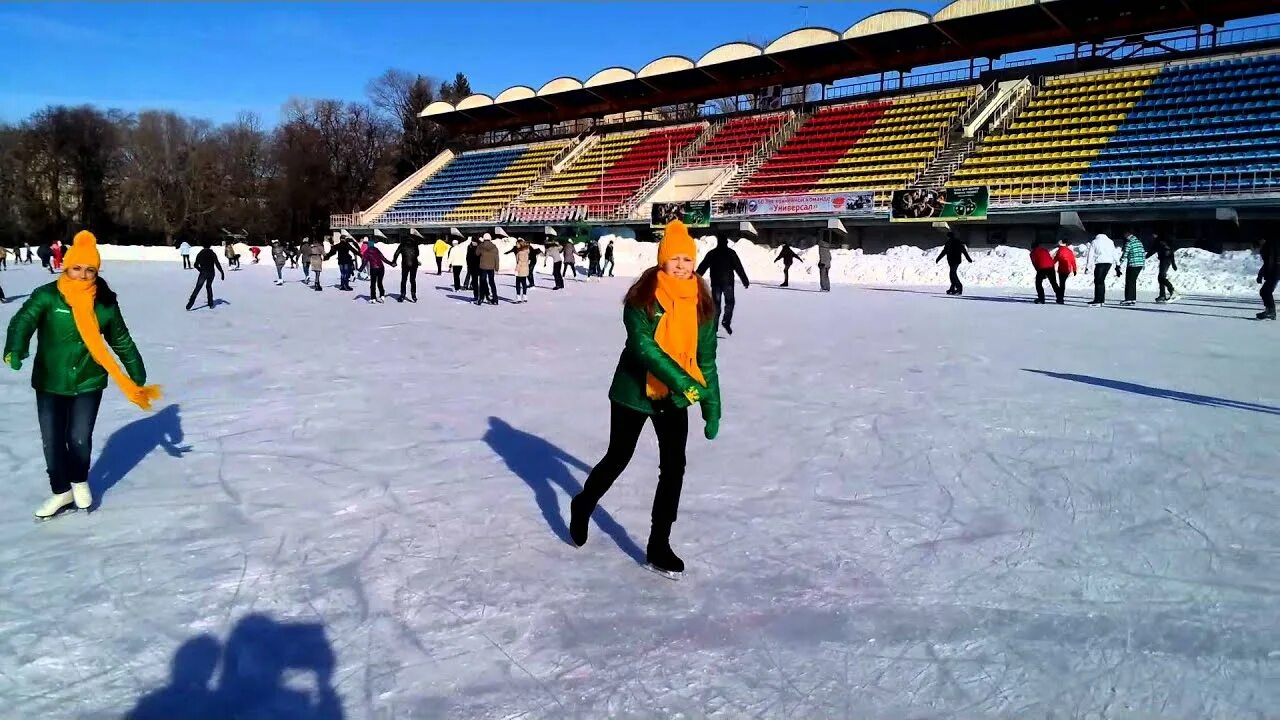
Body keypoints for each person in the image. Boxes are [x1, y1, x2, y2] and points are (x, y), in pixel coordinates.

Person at [569, 220, 721, 576]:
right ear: (661, 259)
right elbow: (643, 347)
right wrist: (684, 383)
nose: (681, 265)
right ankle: (584, 503)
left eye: (687, 258)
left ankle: (659, 544)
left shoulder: (701, 302)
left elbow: (707, 359)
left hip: (674, 397)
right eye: (675, 258)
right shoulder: (643, 297)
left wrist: (712, 406)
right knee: (619, 457)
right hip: (634, 390)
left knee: (674, 467)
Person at [4, 230, 161, 519]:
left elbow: (121, 338)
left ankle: (78, 481)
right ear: (66, 266)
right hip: (50, 380)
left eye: (90, 270)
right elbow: (23, 320)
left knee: (78, 438)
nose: (83, 275)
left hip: (89, 380)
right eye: (77, 268)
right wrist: (16, 346)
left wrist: (135, 372)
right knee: (52, 440)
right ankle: (61, 491)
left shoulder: (104, 302)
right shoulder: (48, 296)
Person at [696, 235, 750, 335]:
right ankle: (726, 321)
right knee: (730, 302)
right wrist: (745, 281)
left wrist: (695, 278)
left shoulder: (712, 253)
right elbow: (739, 267)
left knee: (716, 305)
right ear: (726, 243)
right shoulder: (731, 253)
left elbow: (703, 266)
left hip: (716, 283)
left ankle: (714, 327)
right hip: (728, 283)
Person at [186, 242, 225, 310]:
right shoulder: (212, 253)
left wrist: (200, 270)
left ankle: (190, 303)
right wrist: (222, 272)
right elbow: (217, 263)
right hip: (211, 273)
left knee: (198, 287)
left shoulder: (200, 253)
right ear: (210, 246)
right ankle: (210, 303)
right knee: (209, 286)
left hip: (203, 273)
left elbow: (195, 265)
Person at [1085, 233, 1118, 307]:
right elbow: (1114, 252)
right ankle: (1101, 300)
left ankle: (1098, 301)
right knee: (1101, 281)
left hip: (1100, 263)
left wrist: (1088, 266)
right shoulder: (1110, 241)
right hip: (1109, 263)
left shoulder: (1095, 242)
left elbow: (1090, 254)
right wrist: (1117, 263)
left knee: (1098, 281)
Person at [1147, 234, 1178, 303]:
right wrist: (1173, 264)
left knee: (1161, 277)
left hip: (1165, 260)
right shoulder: (1166, 240)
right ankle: (1162, 295)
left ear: (1156, 234)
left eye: (1153, 235)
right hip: (1167, 260)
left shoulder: (1158, 241)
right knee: (1160, 277)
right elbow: (1171, 252)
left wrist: (1145, 257)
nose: (1151, 236)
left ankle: (1172, 291)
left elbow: (1152, 250)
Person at [362, 239, 394, 303]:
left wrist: (359, 270)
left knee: (373, 284)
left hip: (373, 269)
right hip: (381, 268)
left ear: (368, 245)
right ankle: (382, 295)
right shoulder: (376, 250)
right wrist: (391, 263)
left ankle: (373, 298)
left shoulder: (366, 252)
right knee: (380, 283)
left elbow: (364, 263)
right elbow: (383, 258)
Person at [392, 236, 421, 302]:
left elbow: (396, 253)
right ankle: (413, 295)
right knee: (412, 280)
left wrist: (394, 261)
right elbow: (417, 253)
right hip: (414, 264)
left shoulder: (402, 244)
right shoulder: (415, 244)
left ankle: (402, 295)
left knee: (404, 279)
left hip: (405, 264)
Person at [1029, 240, 1058, 304]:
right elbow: (1049, 258)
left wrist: (1040, 272)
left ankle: (1041, 298)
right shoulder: (1044, 250)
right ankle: (1060, 298)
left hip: (1042, 268)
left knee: (1038, 283)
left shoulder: (1032, 253)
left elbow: (1035, 264)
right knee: (1054, 283)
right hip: (1051, 267)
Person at [1257, 236, 1278, 321]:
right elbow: (1266, 262)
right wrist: (1260, 274)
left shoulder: (1271, 247)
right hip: (1272, 272)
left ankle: (1271, 312)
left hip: (1275, 271)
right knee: (1265, 291)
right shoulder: (1267, 247)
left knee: (1266, 291)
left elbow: (1272, 261)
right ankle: (1269, 311)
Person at [476, 233, 499, 305]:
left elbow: (477, 254)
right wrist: (497, 267)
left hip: (483, 266)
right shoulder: (494, 246)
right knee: (492, 282)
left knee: (482, 282)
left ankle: (481, 298)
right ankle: (495, 298)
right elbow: (496, 258)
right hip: (491, 267)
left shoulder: (481, 246)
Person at [1053, 238, 1077, 305]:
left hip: (1061, 269)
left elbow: (1055, 259)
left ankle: (1060, 298)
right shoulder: (1069, 251)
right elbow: (1073, 261)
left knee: (1062, 284)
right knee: (1063, 284)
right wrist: (1074, 270)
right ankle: (1060, 298)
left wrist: (1051, 265)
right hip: (1067, 270)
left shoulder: (1059, 250)